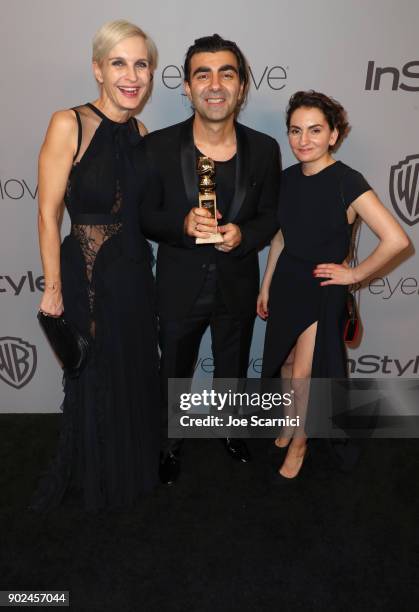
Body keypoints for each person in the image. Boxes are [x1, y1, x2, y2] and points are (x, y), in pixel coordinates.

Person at [30, 20, 160, 511]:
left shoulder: (142, 132)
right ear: (98, 70)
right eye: (119, 63)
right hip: (86, 275)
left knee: (132, 369)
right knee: (94, 373)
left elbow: (142, 213)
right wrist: (53, 288)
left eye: (141, 64)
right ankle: (93, 474)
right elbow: (47, 212)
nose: (132, 75)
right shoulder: (71, 122)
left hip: (131, 270)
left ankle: (130, 467)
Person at [140, 34, 281, 485]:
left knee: (233, 366)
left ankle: (230, 429)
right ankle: (170, 443)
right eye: (203, 74)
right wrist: (181, 226)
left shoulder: (264, 149)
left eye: (227, 73)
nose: (215, 84)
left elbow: (271, 215)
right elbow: (144, 217)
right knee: (174, 370)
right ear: (186, 86)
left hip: (236, 282)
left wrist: (245, 235)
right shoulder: (158, 146)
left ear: (242, 86)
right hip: (179, 284)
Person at [258, 90, 409, 480]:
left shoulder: (348, 181)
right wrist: (266, 284)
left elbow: (397, 240)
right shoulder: (287, 179)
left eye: (314, 130)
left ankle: (301, 442)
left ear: (334, 135)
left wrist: (355, 275)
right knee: (289, 363)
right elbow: (280, 238)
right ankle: (293, 421)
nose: (303, 140)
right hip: (288, 280)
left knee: (307, 371)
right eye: (295, 131)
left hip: (322, 287)